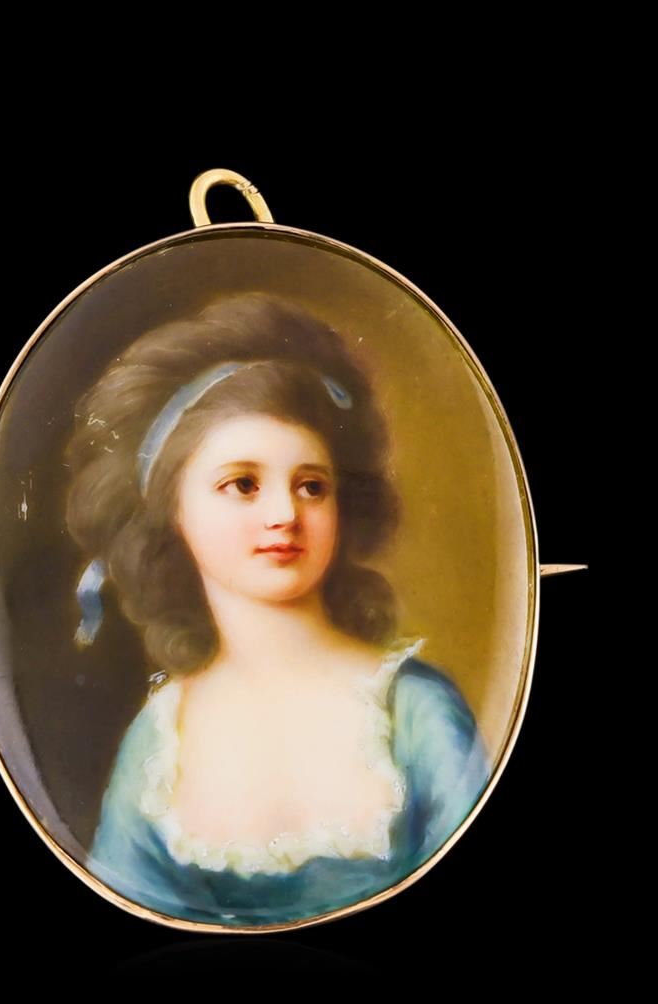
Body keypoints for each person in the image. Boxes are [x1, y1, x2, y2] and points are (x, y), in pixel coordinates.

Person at [64, 292, 490, 927]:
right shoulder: (159, 745)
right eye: (243, 484)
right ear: (172, 511)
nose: (284, 514)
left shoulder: (413, 711)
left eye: (312, 486)